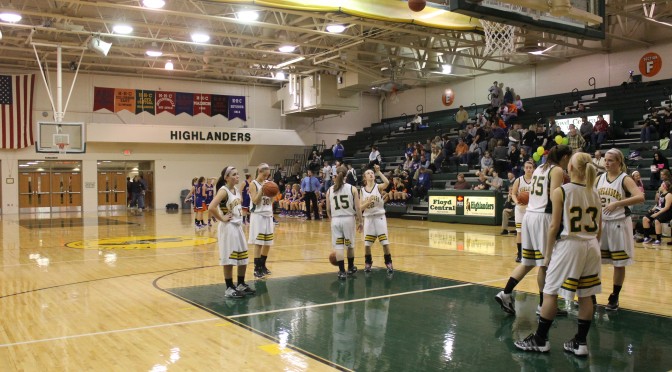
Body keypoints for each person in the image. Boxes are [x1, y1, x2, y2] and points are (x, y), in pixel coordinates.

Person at [514, 152, 601, 357]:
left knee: (550, 292)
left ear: (569, 168)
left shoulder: (561, 191)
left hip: (569, 244)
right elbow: (600, 229)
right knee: (586, 295)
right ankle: (580, 343)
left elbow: (553, 226)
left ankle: (540, 339)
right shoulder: (595, 192)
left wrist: (548, 253)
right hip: (591, 244)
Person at [495, 145, 572, 316]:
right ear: (565, 157)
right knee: (546, 264)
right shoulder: (557, 170)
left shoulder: (539, 168)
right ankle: (544, 305)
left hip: (530, 216)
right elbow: (555, 197)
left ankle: (505, 293)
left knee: (528, 262)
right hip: (543, 217)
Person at [596, 148, 645, 310]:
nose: (607, 163)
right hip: (601, 223)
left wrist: (617, 203)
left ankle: (614, 296)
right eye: (605, 160)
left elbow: (640, 197)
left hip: (618, 223)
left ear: (619, 162)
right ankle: (590, 294)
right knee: (594, 260)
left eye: (610, 160)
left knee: (618, 262)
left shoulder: (625, 178)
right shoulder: (599, 178)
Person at [208, 166, 255, 299]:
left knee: (243, 257)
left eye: (237, 174)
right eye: (234, 174)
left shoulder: (235, 190)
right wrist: (221, 218)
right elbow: (211, 207)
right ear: (226, 177)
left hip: (237, 226)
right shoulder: (223, 191)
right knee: (229, 259)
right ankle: (229, 287)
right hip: (228, 227)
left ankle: (240, 284)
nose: (237, 176)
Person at [326, 165, 363, 280]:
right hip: (348, 219)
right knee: (350, 245)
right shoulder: (352, 188)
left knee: (339, 247)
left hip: (336, 219)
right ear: (347, 175)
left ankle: (342, 271)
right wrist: (360, 221)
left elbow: (327, 209)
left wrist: (331, 219)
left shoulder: (329, 189)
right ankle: (350, 267)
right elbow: (357, 208)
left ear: (336, 175)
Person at [361, 164, 394, 273]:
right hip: (368, 218)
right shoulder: (361, 191)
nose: (371, 174)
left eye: (372, 173)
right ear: (364, 177)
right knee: (367, 244)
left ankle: (388, 262)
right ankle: (368, 262)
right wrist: (367, 203)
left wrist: (379, 172)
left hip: (379, 217)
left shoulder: (378, 187)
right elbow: (360, 207)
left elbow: (387, 183)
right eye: (368, 173)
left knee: (384, 242)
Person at [248, 163, 275, 278]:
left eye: (268, 176)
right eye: (264, 175)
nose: (266, 178)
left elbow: (271, 201)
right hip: (258, 215)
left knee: (268, 243)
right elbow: (255, 201)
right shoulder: (253, 184)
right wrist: (262, 190)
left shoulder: (268, 183)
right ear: (259, 172)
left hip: (268, 215)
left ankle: (263, 265)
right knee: (259, 243)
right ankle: (256, 268)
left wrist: (272, 192)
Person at [511, 161, 535, 262]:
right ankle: (520, 254)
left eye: (530, 167)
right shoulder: (519, 180)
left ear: (533, 169)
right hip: (520, 209)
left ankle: (532, 252)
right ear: (524, 169)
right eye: (527, 167)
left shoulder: (536, 180)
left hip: (531, 209)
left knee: (532, 232)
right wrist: (517, 202)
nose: (528, 169)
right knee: (519, 232)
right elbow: (513, 194)